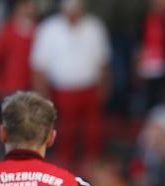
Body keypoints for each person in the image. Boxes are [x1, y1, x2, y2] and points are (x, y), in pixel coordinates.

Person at [31, 0, 110, 166]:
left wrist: (105, 85)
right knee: (65, 132)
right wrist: (43, 93)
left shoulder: (94, 27)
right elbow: (39, 65)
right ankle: (65, 166)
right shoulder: (49, 29)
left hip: (90, 88)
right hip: (61, 90)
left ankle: (92, 165)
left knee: (93, 131)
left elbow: (103, 61)